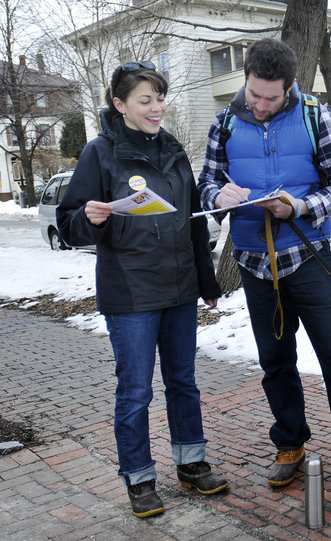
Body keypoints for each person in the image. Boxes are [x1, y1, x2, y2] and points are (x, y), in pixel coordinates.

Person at [198, 38, 331, 489]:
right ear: (246, 80)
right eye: (254, 94)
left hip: (310, 257)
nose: (260, 105)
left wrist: (300, 207)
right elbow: (205, 184)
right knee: (275, 362)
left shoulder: (316, 116)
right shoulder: (223, 123)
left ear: (291, 87)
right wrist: (216, 196)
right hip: (253, 262)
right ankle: (290, 442)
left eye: (271, 97)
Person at [56, 61, 228, 518]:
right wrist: (88, 219)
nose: (157, 108)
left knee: (183, 383)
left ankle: (191, 464)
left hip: (179, 290)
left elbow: (192, 222)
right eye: (145, 100)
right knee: (135, 391)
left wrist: (206, 279)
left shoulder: (172, 150)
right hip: (130, 294)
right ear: (120, 104)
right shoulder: (100, 153)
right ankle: (139, 478)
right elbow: (69, 222)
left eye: (160, 98)